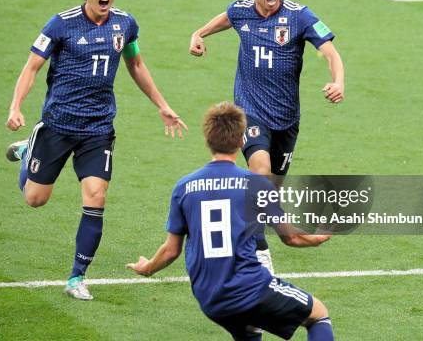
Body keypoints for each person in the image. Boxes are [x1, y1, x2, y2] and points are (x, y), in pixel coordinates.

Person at [5, 0, 187, 300]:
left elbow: (136, 63)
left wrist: (162, 105)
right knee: (35, 199)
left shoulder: (125, 24)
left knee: (96, 197)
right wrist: (15, 106)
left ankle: (77, 276)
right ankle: (31, 149)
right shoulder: (61, 24)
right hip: (57, 125)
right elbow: (31, 68)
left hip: (98, 128)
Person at [189, 0, 345, 273]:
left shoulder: (299, 16)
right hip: (250, 113)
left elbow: (330, 51)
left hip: (286, 120)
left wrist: (338, 80)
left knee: (267, 196)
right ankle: (261, 256)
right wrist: (198, 35)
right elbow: (224, 19)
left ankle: (248, 236)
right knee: (260, 172)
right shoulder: (241, 11)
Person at [127, 102, 334, 341]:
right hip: (247, 288)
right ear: (241, 142)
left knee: (249, 328)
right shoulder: (256, 184)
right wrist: (318, 236)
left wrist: (147, 268)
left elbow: (171, 250)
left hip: (209, 297)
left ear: (207, 139)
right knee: (318, 314)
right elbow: (291, 236)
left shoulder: (184, 187)